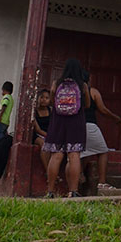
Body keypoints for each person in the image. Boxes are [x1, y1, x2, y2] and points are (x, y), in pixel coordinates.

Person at [43, 58, 90, 197]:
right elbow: (87, 105)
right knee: (74, 155)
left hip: (58, 122)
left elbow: (52, 101)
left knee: (56, 155)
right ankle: (73, 191)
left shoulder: (56, 83)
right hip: (76, 122)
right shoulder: (83, 85)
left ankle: (50, 191)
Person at [80, 70, 121, 191]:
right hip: (89, 125)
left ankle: (79, 177)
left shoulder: (71, 91)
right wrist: (115, 118)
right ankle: (102, 182)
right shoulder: (92, 91)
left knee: (78, 153)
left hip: (74, 126)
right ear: (88, 80)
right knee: (103, 151)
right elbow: (102, 109)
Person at [31, 88, 52, 173]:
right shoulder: (34, 112)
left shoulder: (51, 110)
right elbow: (38, 129)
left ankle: (52, 170)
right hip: (38, 134)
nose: (44, 100)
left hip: (50, 133)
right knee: (44, 144)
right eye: (42, 97)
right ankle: (48, 172)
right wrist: (48, 136)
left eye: (47, 98)